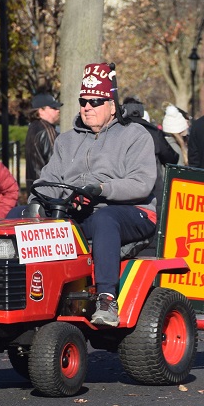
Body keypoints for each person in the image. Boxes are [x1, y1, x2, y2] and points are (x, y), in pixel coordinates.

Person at [38, 62, 158, 327]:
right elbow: (49, 180)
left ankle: (107, 299)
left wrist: (102, 189)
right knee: (20, 218)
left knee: (106, 219)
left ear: (112, 106)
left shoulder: (135, 135)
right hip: (80, 213)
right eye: (83, 101)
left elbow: (141, 183)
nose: (87, 107)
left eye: (95, 101)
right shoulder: (66, 140)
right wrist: (36, 203)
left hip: (133, 212)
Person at [123, 96, 179, 166]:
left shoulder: (118, 130)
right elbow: (171, 159)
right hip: (151, 172)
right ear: (141, 111)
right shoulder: (154, 132)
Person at [24, 92, 61, 187]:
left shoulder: (33, 127)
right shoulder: (47, 130)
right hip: (48, 187)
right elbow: (56, 163)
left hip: (34, 186)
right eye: (53, 108)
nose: (58, 110)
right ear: (41, 111)